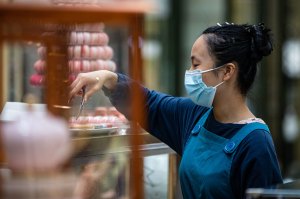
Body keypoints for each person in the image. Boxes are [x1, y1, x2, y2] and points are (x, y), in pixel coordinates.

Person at [69, 22, 283, 199]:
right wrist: (109, 79)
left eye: (196, 65)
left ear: (227, 71)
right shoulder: (196, 116)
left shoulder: (256, 144)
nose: (189, 73)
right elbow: (149, 104)